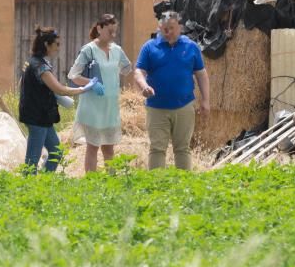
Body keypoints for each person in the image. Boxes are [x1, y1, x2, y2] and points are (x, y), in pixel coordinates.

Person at [133, 11, 210, 170]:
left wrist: (205, 100)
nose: (168, 32)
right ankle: (157, 186)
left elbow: (201, 74)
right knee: (157, 148)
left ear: (180, 27)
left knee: (182, 148)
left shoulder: (191, 47)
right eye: (164, 28)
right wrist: (144, 86)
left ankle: (183, 187)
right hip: (156, 107)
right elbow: (139, 71)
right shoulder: (149, 47)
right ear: (159, 27)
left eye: (172, 28)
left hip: (184, 106)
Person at [20, 26, 100, 173]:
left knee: (56, 153)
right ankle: (27, 189)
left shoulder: (36, 62)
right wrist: (84, 89)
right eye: (56, 44)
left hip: (42, 116)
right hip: (36, 117)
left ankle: (44, 182)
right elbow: (60, 89)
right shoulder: (39, 66)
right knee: (32, 160)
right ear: (46, 44)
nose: (58, 48)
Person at [68, 13, 132, 173]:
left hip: (110, 107)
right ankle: (91, 181)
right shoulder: (88, 50)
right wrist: (91, 83)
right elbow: (73, 75)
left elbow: (127, 68)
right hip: (92, 107)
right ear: (99, 28)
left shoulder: (117, 50)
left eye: (115, 32)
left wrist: (119, 68)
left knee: (109, 148)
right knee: (93, 147)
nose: (113, 35)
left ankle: (111, 180)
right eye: (110, 31)